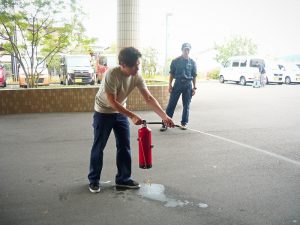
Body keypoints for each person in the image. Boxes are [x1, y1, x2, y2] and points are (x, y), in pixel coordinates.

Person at [88, 47, 175, 193]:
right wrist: (132, 116)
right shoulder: (112, 74)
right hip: (104, 111)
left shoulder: (136, 76)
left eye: (138, 65)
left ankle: (123, 179)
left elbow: (148, 98)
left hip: (120, 111)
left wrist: (164, 116)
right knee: (99, 146)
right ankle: (94, 180)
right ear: (123, 64)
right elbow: (112, 102)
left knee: (124, 146)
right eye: (134, 66)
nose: (137, 68)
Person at [160, 43, 197, 131]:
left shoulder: (192, 62)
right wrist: (170, 85)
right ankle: (165, 123)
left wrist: (194, 87)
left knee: (186, 105)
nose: (186, 51)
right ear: (182, 50)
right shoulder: (175, 61)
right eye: (185, 49)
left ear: (189, 50)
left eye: (188, 49)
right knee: (171, 104)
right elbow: (172, 74)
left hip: (188, 85)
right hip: (177, 84)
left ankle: (184, 123)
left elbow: (194, 75)